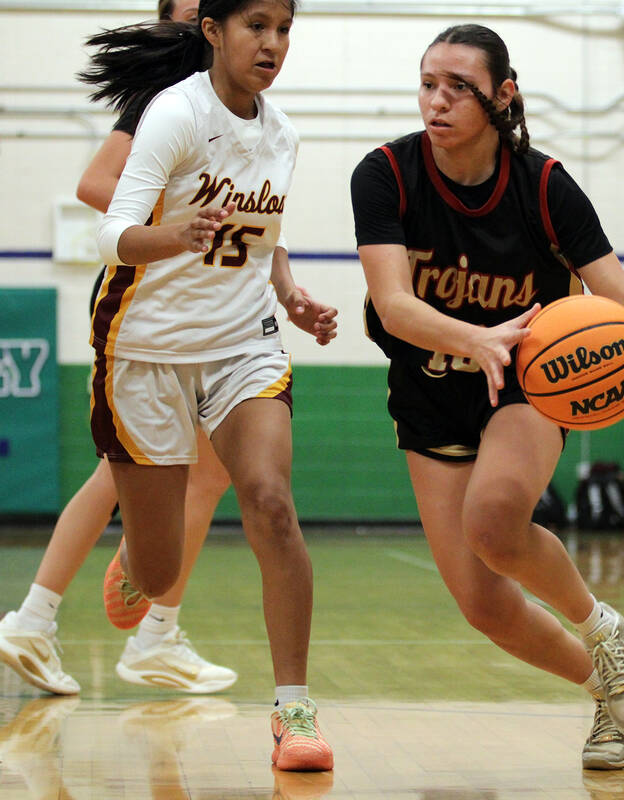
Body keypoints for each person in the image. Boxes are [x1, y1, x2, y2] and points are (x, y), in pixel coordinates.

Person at [350, 23, 624, 771]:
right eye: (428, 83)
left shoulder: (543, 184)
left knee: (494, 523)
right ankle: (609, 691)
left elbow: (622, 297)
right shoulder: (387, 175)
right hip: (430, 392)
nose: (438, 100)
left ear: (503, 95)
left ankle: (602, 626)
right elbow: (394, 305)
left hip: (526, 391)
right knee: (485, 606)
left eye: (458, 86)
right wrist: (476, 339)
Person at [79, 0, 335, 771]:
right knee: (157, 577)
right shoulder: (173, 115)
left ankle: (295, 712)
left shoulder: (282, 133)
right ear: (214, 32)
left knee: (269, 500)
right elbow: (108, 232)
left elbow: (260, 237)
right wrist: (176, 234)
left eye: (285, 28)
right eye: (257, 25)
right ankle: (138, 552)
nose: (274, 43)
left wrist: (289, 294)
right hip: (144, 350)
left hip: (240, 342)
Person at [0, 0, 239, 699]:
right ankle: (40, 620)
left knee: (212, 470)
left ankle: (149, 628)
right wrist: (174, 221)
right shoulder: (168, 95)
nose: (203, 25)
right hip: (147, 306)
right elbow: (95, 184)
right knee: (123, 472)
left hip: (206, 309)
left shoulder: (233, 105)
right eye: (190, 15)